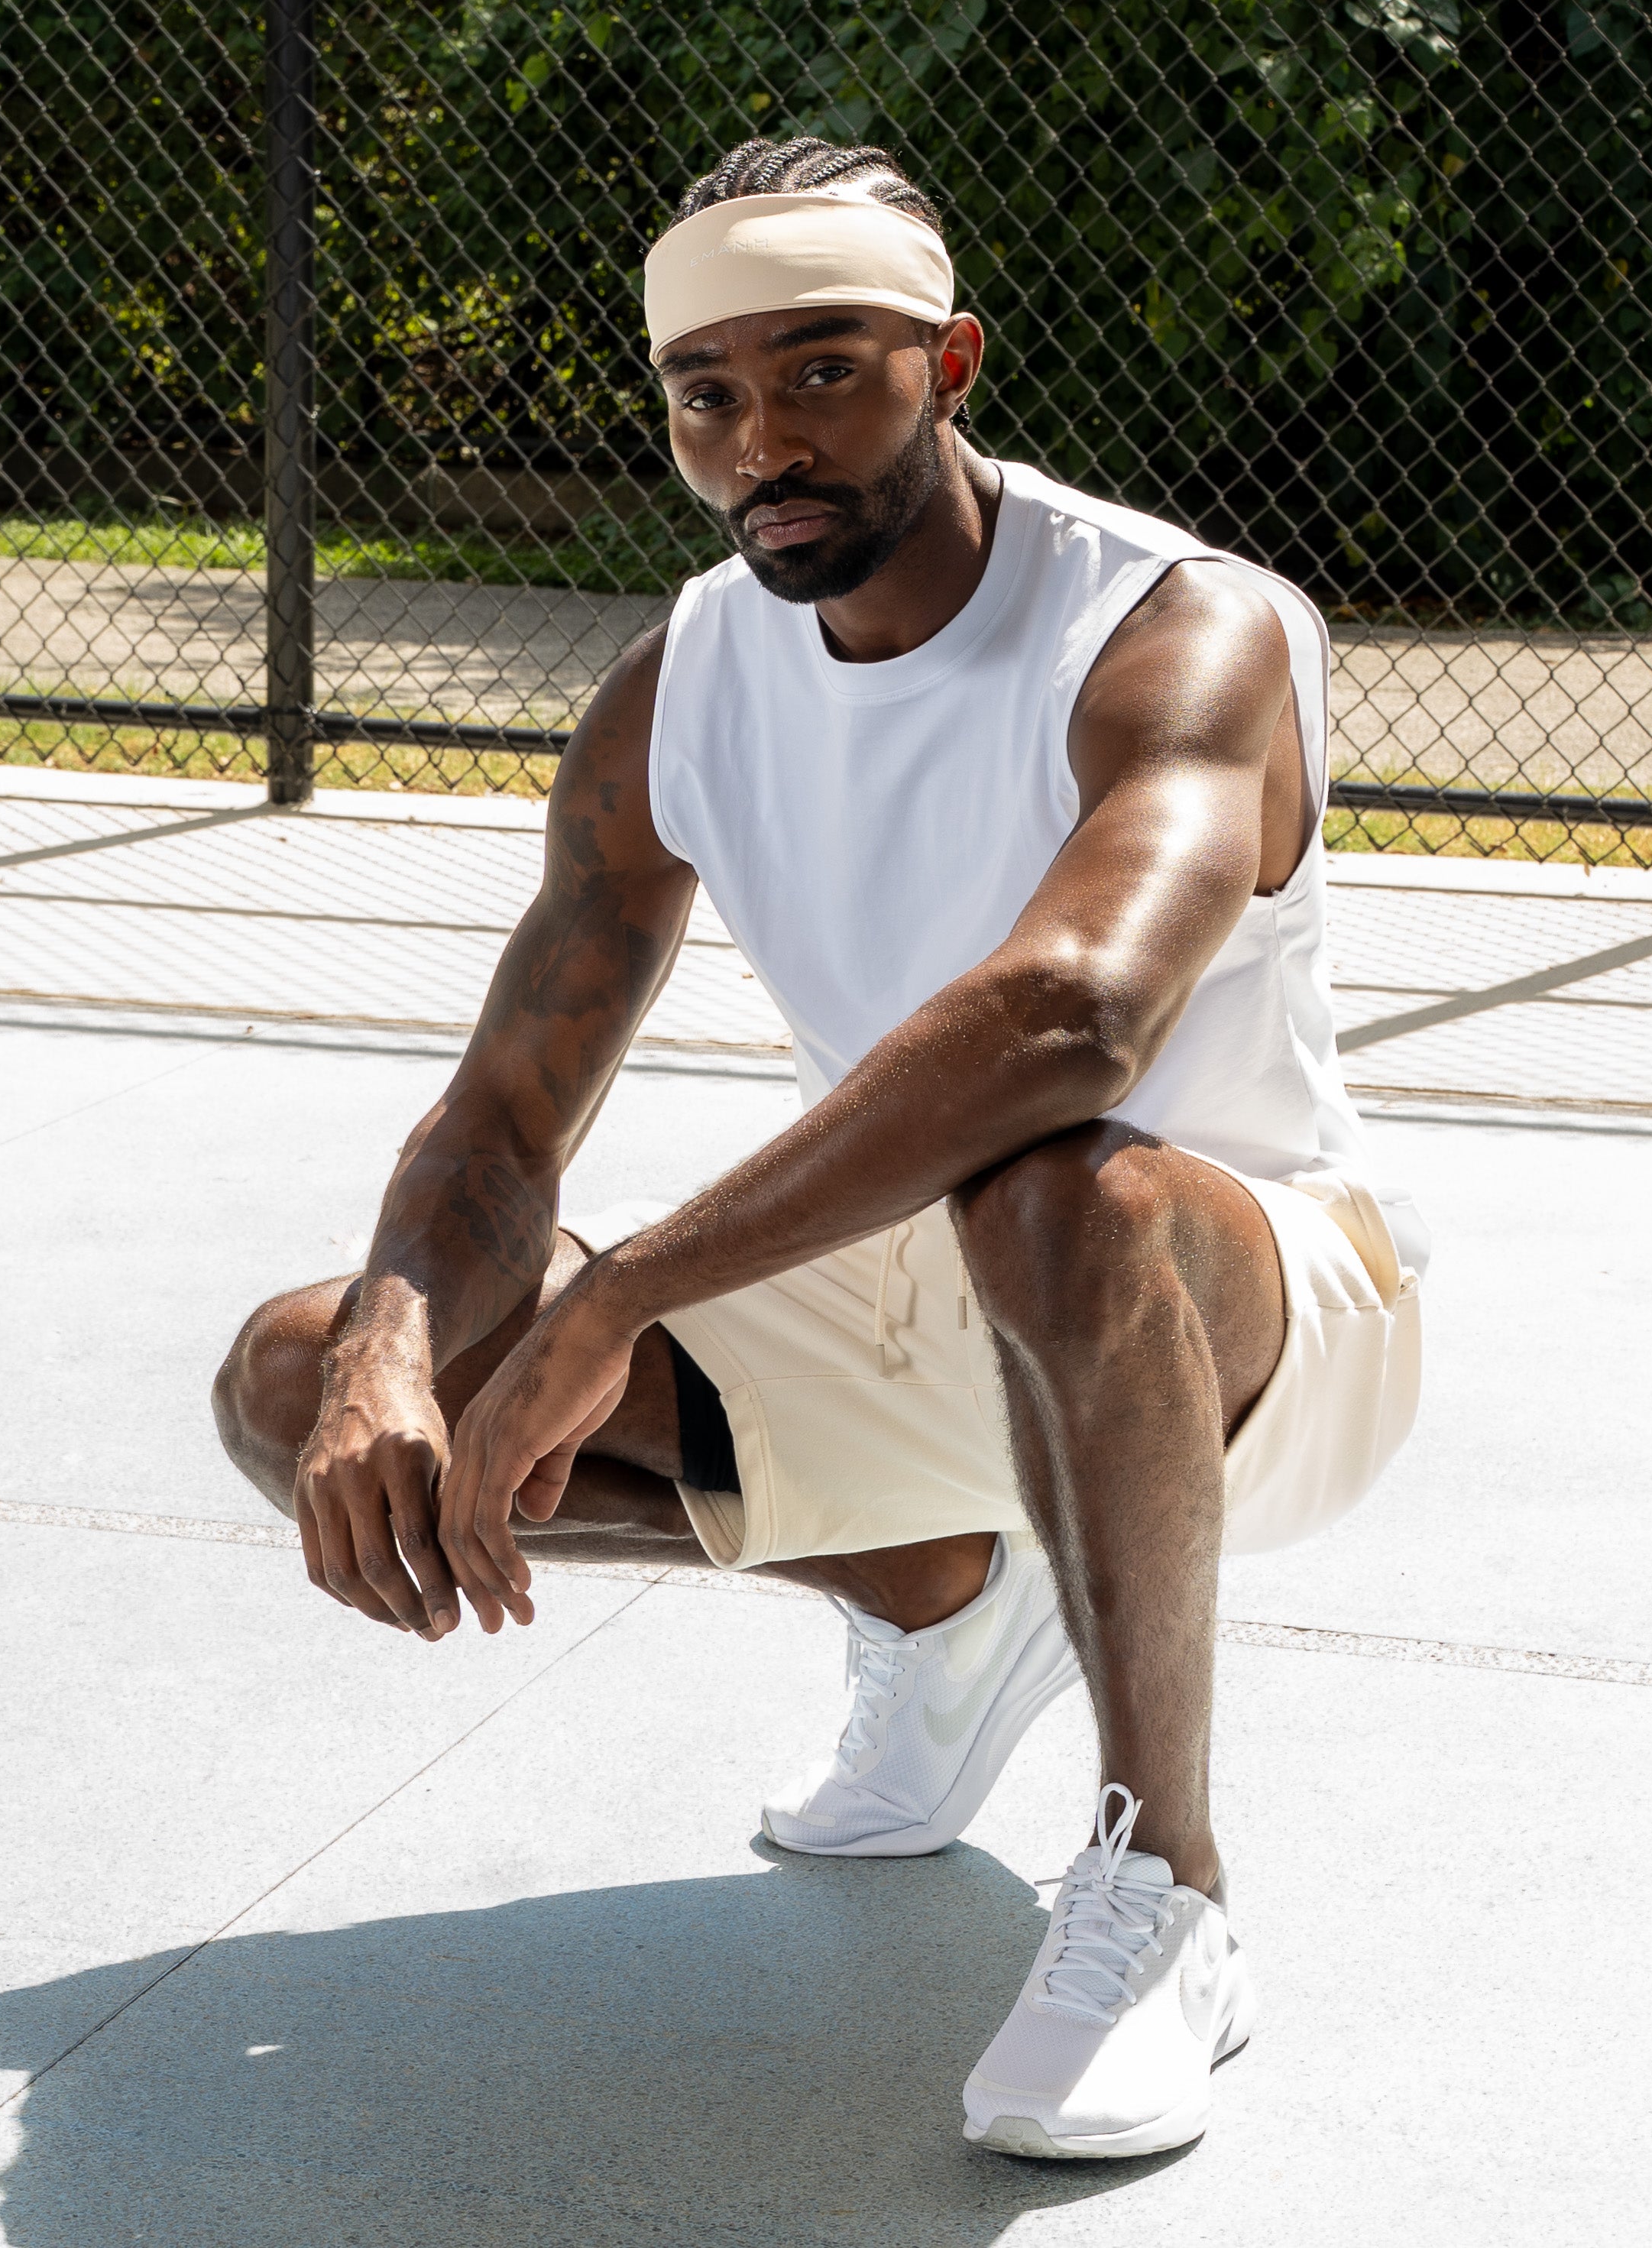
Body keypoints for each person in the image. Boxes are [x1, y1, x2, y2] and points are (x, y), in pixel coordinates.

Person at [213, 135, 1425, 2162]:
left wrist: (632, 1285)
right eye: (710, 392)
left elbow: (1076, 1021)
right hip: (917, 1297)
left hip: (1253, 1317)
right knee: (300, 1377)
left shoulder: (1173, 625)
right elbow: (508, 1113)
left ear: (948, 363)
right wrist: (388, 1356)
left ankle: (1167, 1890)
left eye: (824, 371)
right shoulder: (683, 676)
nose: (762, 434)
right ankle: (945, 1606)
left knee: (1061, 1181)